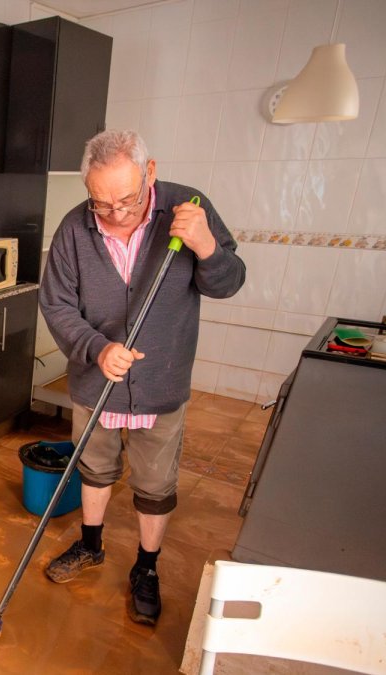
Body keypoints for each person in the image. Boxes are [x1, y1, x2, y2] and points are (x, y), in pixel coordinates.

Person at [38, 130, 246, 626]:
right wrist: (97, 348)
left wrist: (207, 247)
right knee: (94, 468)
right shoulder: (74, 228)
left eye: (127, 200)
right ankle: (91, 545)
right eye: (101, 202)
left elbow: (229, 282)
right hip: (96, 379)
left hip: (160, 380)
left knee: (155, 483)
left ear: (150, 172)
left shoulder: (189, 209)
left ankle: (146, 568)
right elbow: (57, 304)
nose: (115, 214)